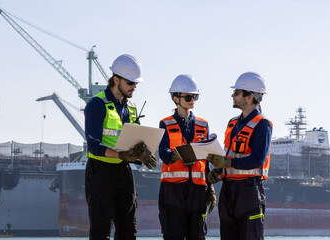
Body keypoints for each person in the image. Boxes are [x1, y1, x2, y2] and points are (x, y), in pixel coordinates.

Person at [84, 54, 157, 240]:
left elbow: (135, 140)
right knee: (101, 230)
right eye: (131, 83)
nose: (134, 87)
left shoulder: (131, 108)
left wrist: (142, 153)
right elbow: (93, 145)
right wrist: (122, 155)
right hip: (100, 172)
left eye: (136, 84)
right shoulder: (96, 105)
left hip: (124, 172)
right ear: (116, 79)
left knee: (128, 231)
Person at [207, 72, 273, 240]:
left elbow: (258, 159)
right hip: (228, 191)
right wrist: (219, 171)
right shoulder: (232, 123)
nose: (233, 95)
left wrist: (228, 162)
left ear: (249, 97)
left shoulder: (262, 124)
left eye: (236, 93)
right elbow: (229, 153)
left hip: (249, 191)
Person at [158, 74, 217, 240]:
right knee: (173, 234)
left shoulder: (203, 125)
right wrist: (175, 154)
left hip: (198, 189)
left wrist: (209, 185)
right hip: (172, 190)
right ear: (176, 98)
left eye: (195, 97)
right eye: (189, 97)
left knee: (197, 235)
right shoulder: (165, 123)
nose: (193, 101)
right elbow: (164, 153)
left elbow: (206, 158)